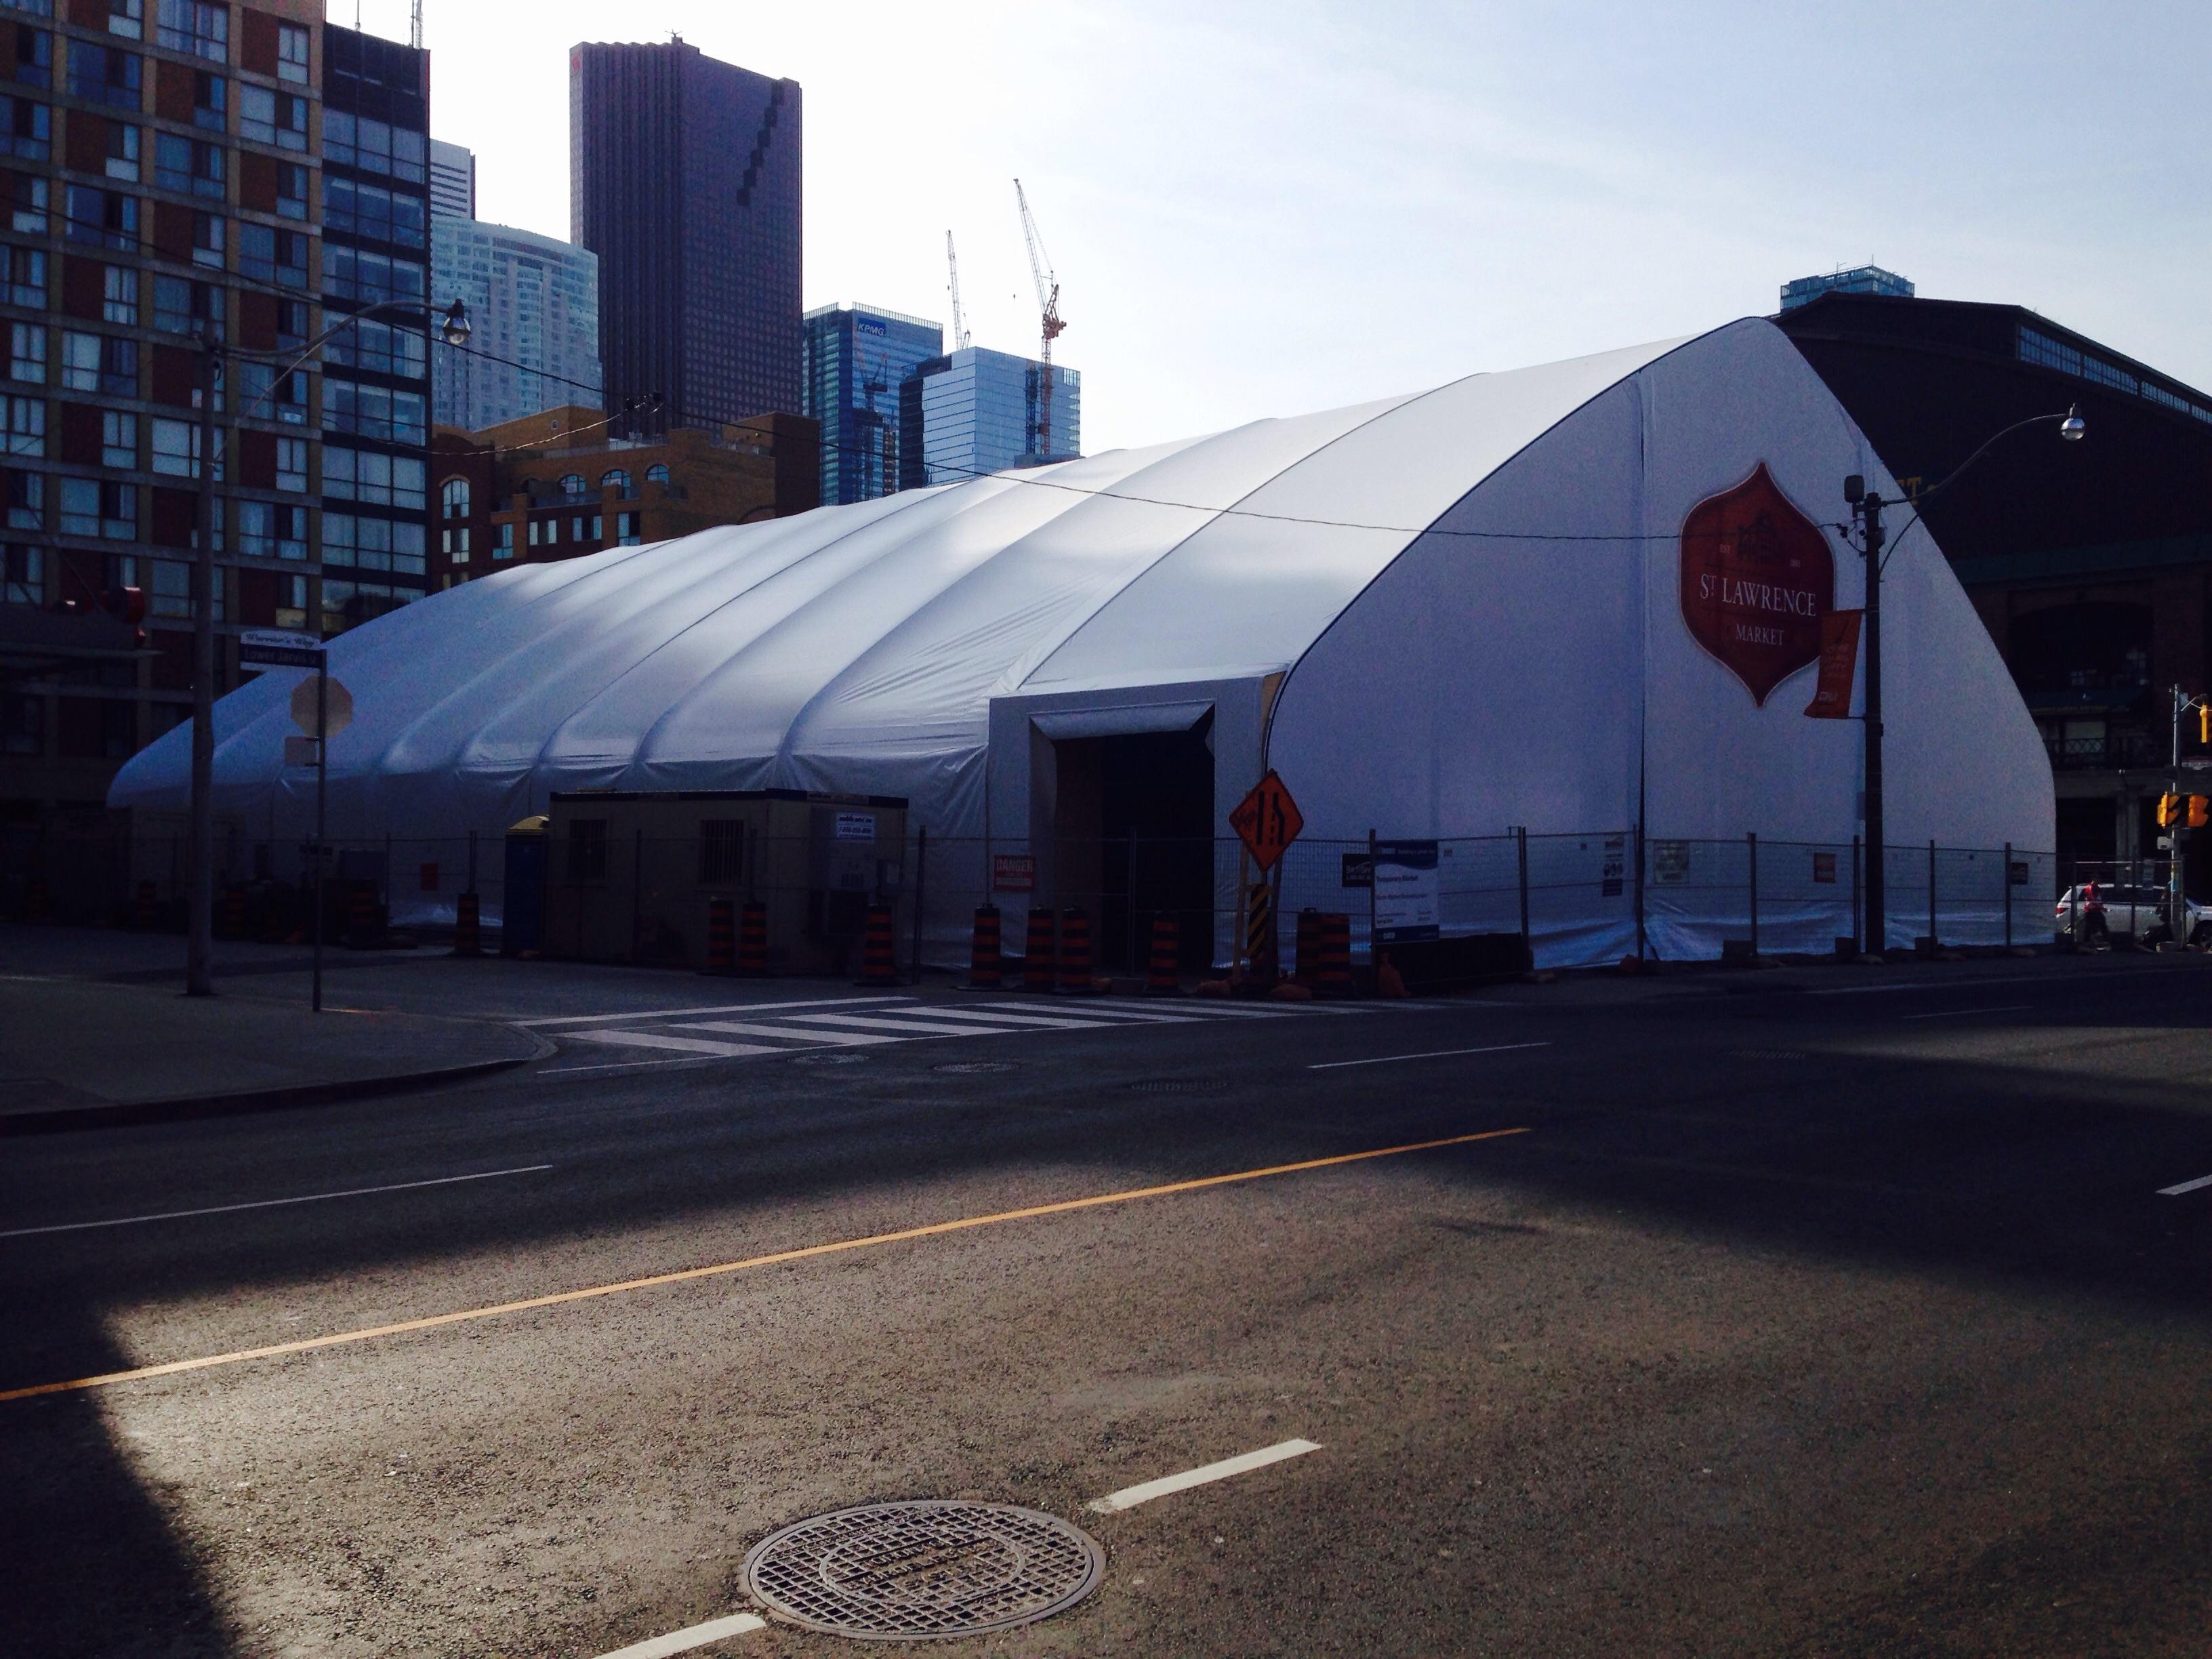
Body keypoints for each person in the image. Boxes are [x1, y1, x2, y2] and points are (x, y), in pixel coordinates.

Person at [2079, 880, 2110, 947]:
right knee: (2100, 925)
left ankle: (2089, 941)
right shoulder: (2090, 888)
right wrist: (2102, 908)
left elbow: (2097, 900)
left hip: (2094, 910)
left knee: (2091, 926)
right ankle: (2104, 940)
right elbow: (2093, 900)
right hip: (2092, 910)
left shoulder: (2095, 888)